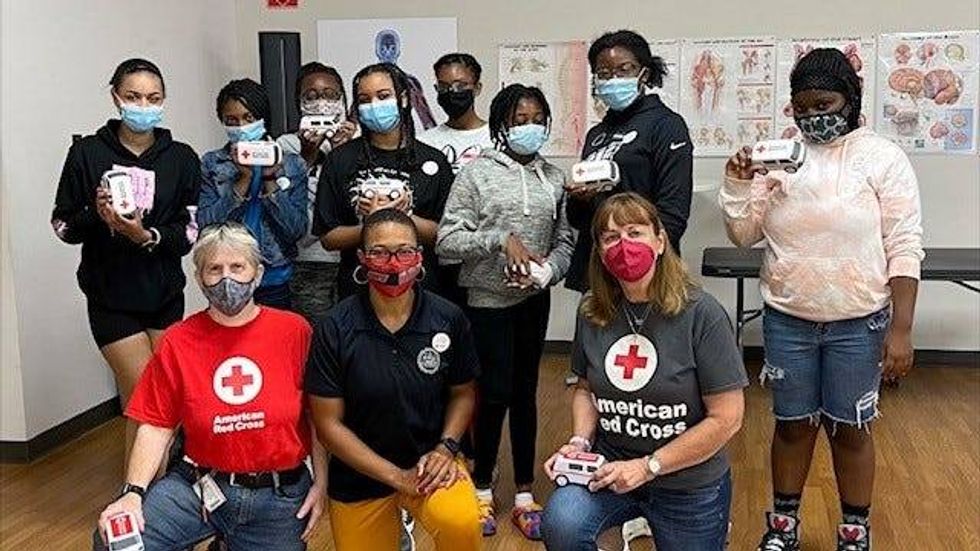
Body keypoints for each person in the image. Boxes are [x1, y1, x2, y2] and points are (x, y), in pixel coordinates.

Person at [719, 48, 923, 551]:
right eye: (803, 107)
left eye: (824, 104)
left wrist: (900, 329)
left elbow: (904, 243)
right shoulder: (780, 157)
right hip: (788, 318)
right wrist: (738, 182)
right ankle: (782, 526)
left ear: (850, 99)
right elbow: (744, 234)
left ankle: (854, 530)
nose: (814, 116)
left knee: (851, 429)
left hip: (859, 322)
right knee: (792, 426)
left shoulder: (882, 158)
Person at [93, 222, 326, 551]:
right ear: (200, 278)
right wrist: (132, 494)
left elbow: (318, 416)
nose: (226, 279)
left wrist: (321, 483)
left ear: (258, 274)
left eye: (238, 267)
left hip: (278, 497)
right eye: (214, 269)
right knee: (115, 542)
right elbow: (156, 425)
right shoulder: (178, 340)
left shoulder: (295, 331)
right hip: (200, 485)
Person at [541, 192, 748, 551]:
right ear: (600, 253)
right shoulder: (592, 310)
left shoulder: (702, 314)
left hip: (687, 481)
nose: (623, 245)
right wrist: (579, 444)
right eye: (610, 237)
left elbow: (727, 418)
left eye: (634, 233)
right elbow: (586, 388)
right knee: (562, 523)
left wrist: (648, 466)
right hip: (610, 468)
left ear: (660, 241)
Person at [436, 83, 574, 540]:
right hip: (487, 303)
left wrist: (547, 272)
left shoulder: (554, 178)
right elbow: (447, 242)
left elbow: (565, 241)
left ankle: (524, 494)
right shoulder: (475, 175)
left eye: (537, 120)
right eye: (519, 120)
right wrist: (499, 239)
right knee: (492, 395)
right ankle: (481, 488)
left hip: (533, 301)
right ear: (501, 125)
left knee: (526, 394)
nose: (529, 127)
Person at [306, 209, 482, 551]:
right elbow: (327, 425)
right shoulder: (334, 327)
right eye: (379, 252)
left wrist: (446, 448)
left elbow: (463, 393)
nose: (393, 263)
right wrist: (397, 477)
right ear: (362, 258)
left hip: (430, 463)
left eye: (404, 251)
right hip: (358, 475)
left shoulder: (448, 318)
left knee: (460, 521)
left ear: (420, 256)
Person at [51, 58, 201, 460]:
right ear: (116, 97)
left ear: (164, 100)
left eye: (153, 98)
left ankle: (156, 484)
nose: (143, 106)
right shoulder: (87, 153)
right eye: (133, 97)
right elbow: (63, 225)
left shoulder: (182, 158)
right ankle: (142, 489)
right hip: (110, 297)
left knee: (164, 396)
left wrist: (145, 235)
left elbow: (188, 233)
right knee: (146, 393)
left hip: (164, 295)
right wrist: (97, 216)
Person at [565, 30, 694, 293]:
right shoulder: (596, 135)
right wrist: (579, 199)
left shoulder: (666, 125)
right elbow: (579, 221)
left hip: (644, 269)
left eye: (624, 70)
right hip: (598, 265)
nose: (613, 79)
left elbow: (673, 213)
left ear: (643, 74)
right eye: (603, 73)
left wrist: (636, 263)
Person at [314, 62, 454, 301]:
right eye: (364, 100)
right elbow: (328, 238)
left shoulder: (434, 160)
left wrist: (403, 215)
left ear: (403, 99)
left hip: (422, 289)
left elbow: (445, 234)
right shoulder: (340, 160)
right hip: (359, 288)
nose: (374, 105)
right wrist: (371, 223)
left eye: (383, 96)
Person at [198, 78, 308, 310]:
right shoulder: (212, 163)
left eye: (249, 118)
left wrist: (269, 179)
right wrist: (243, 179)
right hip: (227, 279)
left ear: (262, 118)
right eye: (232, 120)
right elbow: (206, 226)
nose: (241, 126)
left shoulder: (291, 164)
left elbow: (297, 230)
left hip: (275, 278)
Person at [277, 62, 358, 321]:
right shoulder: (287, 145)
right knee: (316, 335)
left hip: (354, 255)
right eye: (311, 96)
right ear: (299, 103)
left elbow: (358, 205)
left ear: (343, 99)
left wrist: (341, 153)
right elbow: (284, 207)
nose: (321, 102)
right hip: (307, 259)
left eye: (330, 95)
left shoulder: (360, 144)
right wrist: (307, 155)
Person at [419, 53, 493, 175]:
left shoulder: (495, 139)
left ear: (477, 88)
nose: (451, 91)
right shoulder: (424, 142)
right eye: (443, 86)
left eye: (460, 86)